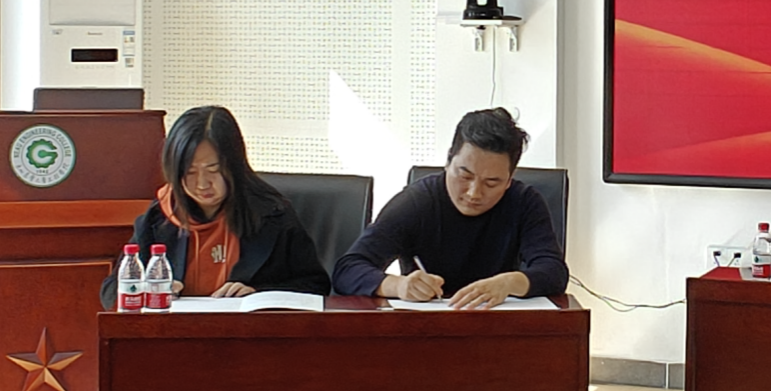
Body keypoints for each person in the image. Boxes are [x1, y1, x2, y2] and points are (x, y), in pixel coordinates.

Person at [332, 107, 568, 309]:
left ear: (509, 179)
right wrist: (398, 286)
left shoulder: (524, 202)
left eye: (491, 183)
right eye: (464, 176)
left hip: (497, 324)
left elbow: (554, 271)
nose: (474, 193)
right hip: (425, 328)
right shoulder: (417, 202)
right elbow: (347, 270)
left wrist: (509, 283)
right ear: (448, 161)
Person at [100, 105, 329, 309]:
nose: (202, 184)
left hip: (248, 337)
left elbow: (315, 285)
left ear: (235, 166)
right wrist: (151, 289)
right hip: (175, 336)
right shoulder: (159, 217)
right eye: (190, 172)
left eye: (214, 170)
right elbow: (110, 292)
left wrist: (259, 294)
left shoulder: (272, 214)